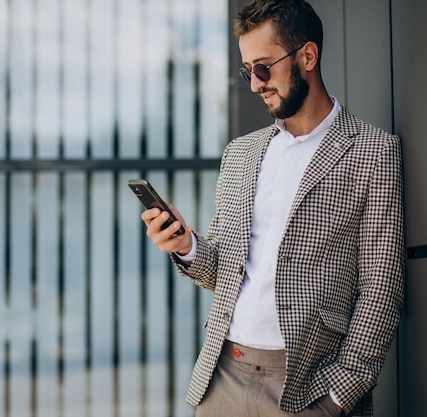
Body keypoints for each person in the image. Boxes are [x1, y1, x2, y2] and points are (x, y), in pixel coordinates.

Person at [140, 0, 405, 416]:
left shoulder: (372, 151)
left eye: (263, 68)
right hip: (223, 376)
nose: (254, 84)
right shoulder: (240, 154)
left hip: (308, 383)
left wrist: (339, 396)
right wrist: (185, 245)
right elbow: (223, 272)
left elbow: (381, 286)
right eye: (247, 71)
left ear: (308, 56)